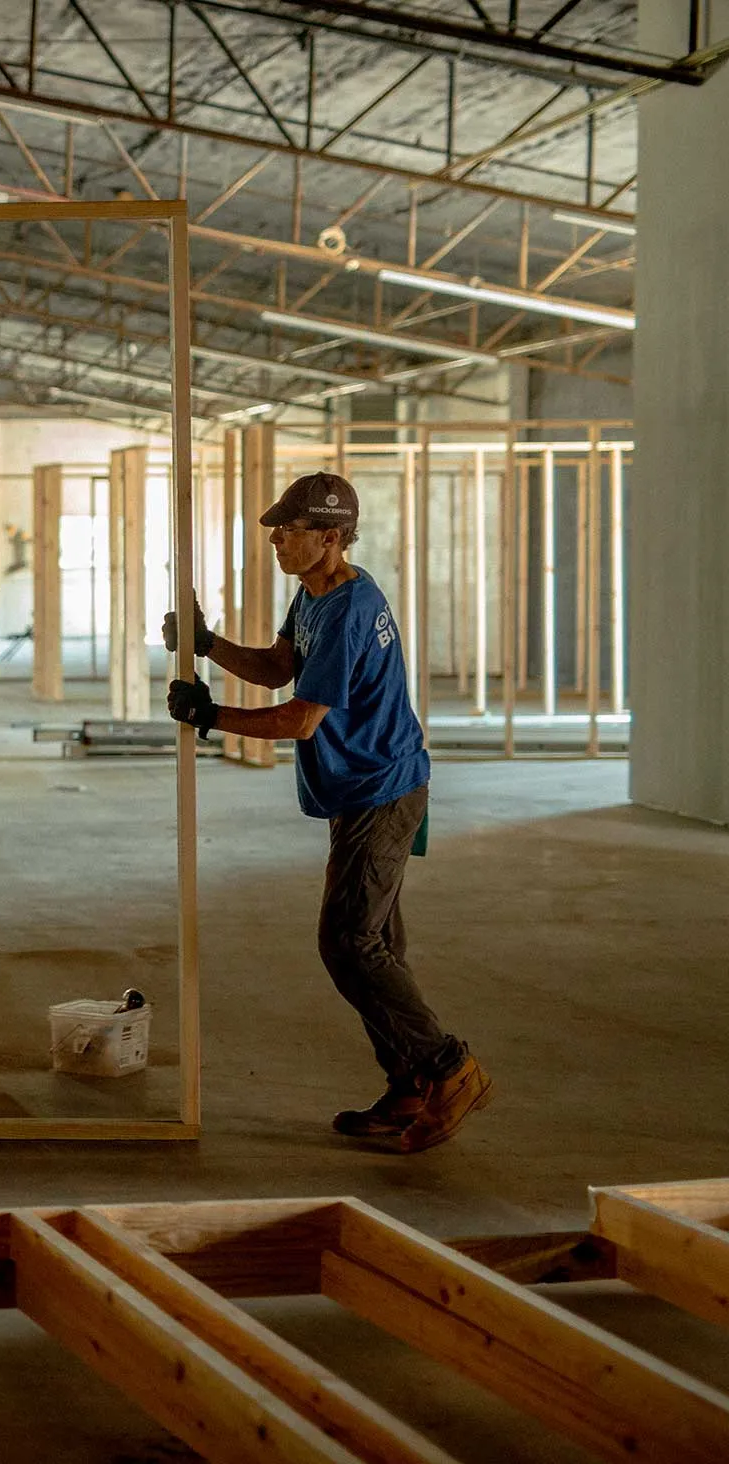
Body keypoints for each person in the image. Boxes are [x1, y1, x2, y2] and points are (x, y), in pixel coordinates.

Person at [164, 471, 489, 1153]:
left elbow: (301, 719)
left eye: (291, 529)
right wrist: (207, 644)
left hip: (381, 789)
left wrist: (211, 715)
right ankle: (407, 1087)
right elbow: (283, 665)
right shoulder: (315, 594)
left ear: (331, 537)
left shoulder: (347, 609)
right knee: (376, 944)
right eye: (277, 529)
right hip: (361, 787)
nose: (277, 539)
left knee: (350, 942)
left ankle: (448, 1069)